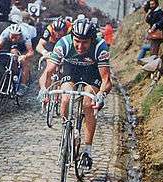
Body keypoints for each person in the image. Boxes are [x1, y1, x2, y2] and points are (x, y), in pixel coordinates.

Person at [38, 18, 112, 169]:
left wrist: (101, 95)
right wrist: (43, 90)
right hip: (71, 69)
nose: (80, 46)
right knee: (65, 99)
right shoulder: (63, 44)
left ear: (92, 40)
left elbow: (106, 79)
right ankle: (67, 131)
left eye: (85, 42)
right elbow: (48, 71)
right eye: (77, 41)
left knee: (87, 103)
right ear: (72, 37)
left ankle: (87, 151)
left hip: (92, 72)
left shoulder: (100, 46)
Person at [0, 24, 34, 96]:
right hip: (13, 45)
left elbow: (31, 52)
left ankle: (23, 85)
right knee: (13, 54)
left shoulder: (25, 35)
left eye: (16, 36)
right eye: (12, 36)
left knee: (24, 62)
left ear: (20, 35)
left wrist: (25, 56)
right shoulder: (5, 33)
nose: (14, 38)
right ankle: (14, 74)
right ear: (9, 33)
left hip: (23, 44)